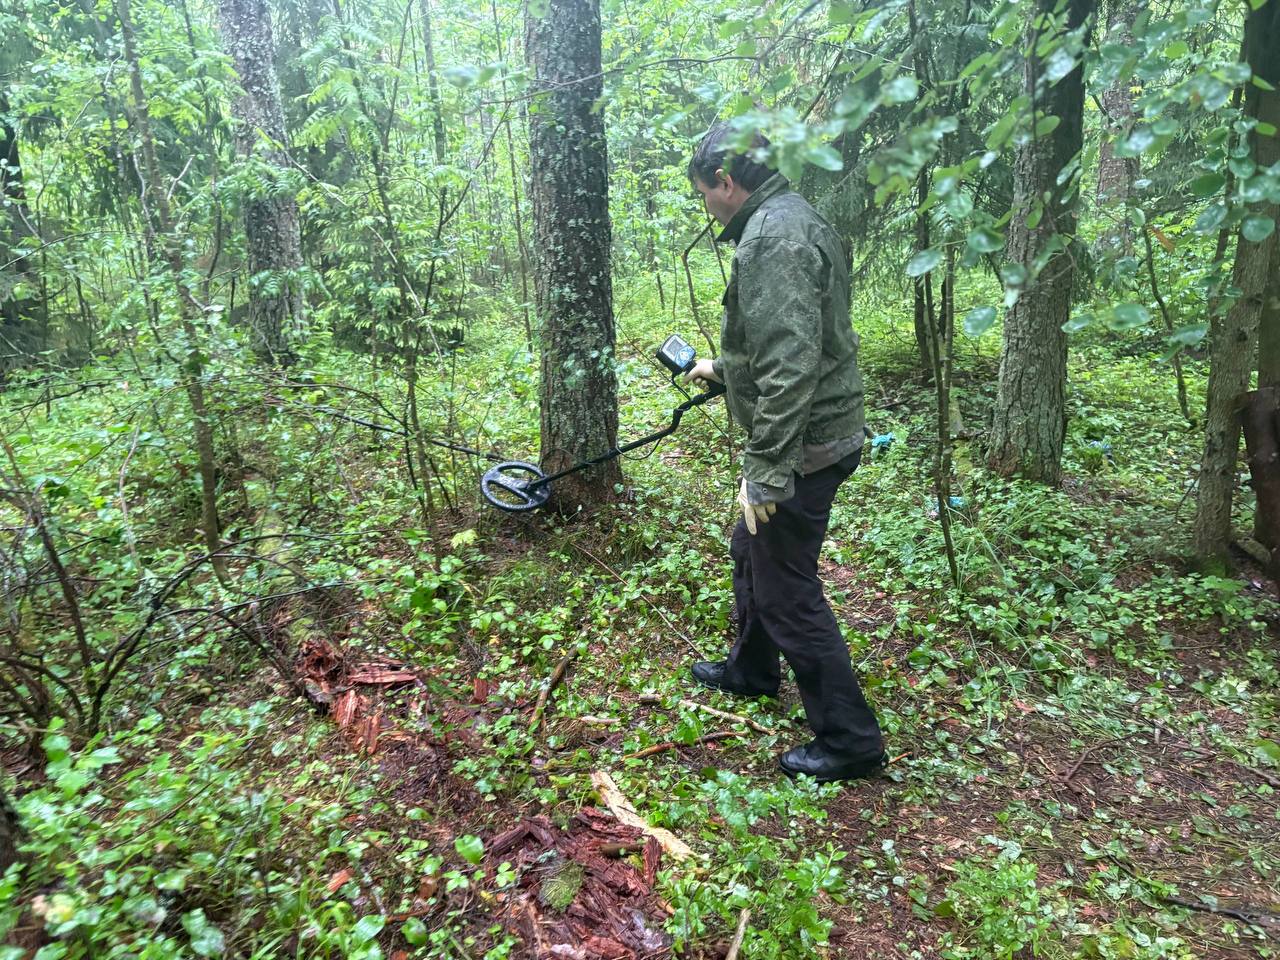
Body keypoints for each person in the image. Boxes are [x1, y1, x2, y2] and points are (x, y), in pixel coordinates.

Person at [682, 122, 886, 783]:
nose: (706, 206)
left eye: (704, 194)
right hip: (819, 428)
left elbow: (794, 361)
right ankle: (750, 670)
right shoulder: (789, 216)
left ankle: (851, 740)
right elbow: (795, 336)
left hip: (808, 445)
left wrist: (766, 472)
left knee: (787, 591)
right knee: (753, 552)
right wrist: (725, 369)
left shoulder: (773, 237)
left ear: (725, 183)